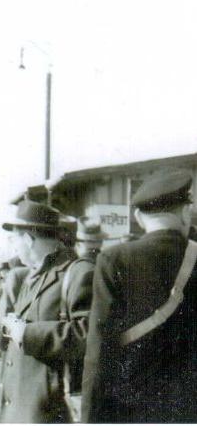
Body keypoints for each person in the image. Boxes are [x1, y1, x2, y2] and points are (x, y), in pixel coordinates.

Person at [82, 170, 197, 422]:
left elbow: (99, 349)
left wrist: (91, 418)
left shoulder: (114, 259)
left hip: (131, 406)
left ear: (139, 217)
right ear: (185, 213)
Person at [0, 200, 94, 423]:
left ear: (29, 240)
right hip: (22, 407)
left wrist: (26, 334)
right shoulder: (29, 277)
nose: (13, 247)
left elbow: (89, 333)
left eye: (14, 239)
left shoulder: (79, 273)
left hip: (50, 410)